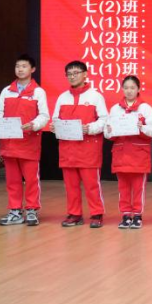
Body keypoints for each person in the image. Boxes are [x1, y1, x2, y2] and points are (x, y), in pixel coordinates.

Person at [0, 54, 49, 227]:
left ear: (33, 69)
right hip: (9, 143)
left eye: (24, 66)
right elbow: (0, 114)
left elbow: (44, 116)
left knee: (31, 179)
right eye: (17, 66)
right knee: (12, 180)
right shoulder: (6, 91)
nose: (20, 69)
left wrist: (34, 124)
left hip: (29, 143)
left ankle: (32, 210)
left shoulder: (38, 92)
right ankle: (15, 211)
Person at [52, 60, 109, 228]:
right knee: (71, 186)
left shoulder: (95, 96)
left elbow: (104, 120)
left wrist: (89, 128)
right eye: (69, 74)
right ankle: (74, 214)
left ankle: (97, 214)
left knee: (92, 185)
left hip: (88, 148)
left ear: (85, 74)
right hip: (67, 149)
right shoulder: (62, 97)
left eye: (76, 73)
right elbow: (55, 118)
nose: (72, 76)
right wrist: (55, 126)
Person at [104, 75, 152, 229]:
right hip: (121, 154)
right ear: (122, 89)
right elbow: (107, 133)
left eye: (132, 88)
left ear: (138, 89)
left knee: (138, 187)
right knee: (123, 187)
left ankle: (138, 215)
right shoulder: (115, 109)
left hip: (139, 154)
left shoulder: (145, 108)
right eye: (126, 88)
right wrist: (110, 130)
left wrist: (141, 128)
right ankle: (126, 214)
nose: (129, 91)